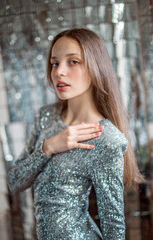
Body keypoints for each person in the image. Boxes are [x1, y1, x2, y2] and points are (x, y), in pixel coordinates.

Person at [8, 28, 144, 240]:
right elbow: (14, 182)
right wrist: (48, 147)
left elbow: (114, 225)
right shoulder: (46, 117)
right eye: (55, 63)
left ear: (95, 68)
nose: (59, 71)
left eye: (73, 61)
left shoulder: (106, 139)